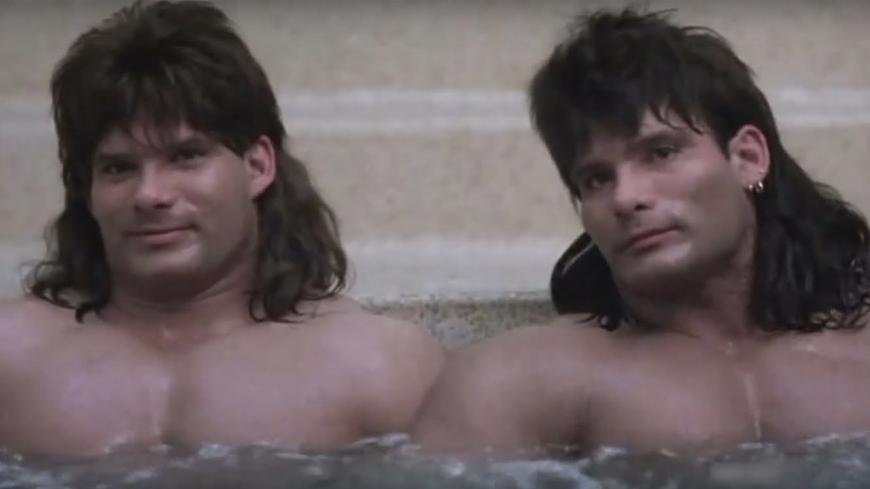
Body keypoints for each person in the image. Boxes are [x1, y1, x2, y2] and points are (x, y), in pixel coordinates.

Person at [414, 8, 870, 455]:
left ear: (747, 158)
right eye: (596, 179)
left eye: (661, 152)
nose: (625, 197)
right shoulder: (521, 384)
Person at [0, 0, 443, 456]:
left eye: (186, 156)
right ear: (87, 190)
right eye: (118, 168)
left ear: (257, 166)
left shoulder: (375, 365)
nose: (149, 194)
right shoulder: (10, 358)